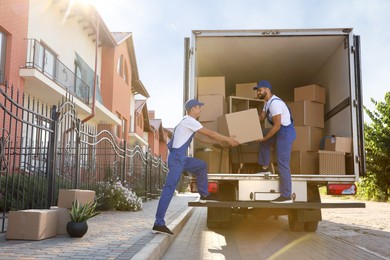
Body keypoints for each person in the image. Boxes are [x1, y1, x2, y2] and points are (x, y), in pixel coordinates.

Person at [152, 99, 239, 235]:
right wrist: (227, 139)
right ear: (192, 109)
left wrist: (218, 143)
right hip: (176, 159)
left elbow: (201, 139)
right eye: (199, 107)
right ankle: (159, 223)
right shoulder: (189, 121)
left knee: (201, 165)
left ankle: (204, 194)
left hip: (181, 159)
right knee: (169, 188)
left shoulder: (188, 123)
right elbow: (209, 133)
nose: (201, 110)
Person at [254, 80, 296, 203]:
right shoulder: (267, 103)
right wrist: (246, 121)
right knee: (264, 142)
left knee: (282, 163)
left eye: (259, 90)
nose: (258, 93)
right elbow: (261, 117)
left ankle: (286, 195)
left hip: (285, 132)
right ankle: (265, 168)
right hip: (280, 130)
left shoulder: (275, 103)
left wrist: (264, 138)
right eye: (257, 91)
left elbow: (277, 126)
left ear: (267, 89)